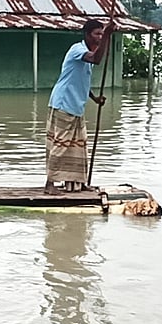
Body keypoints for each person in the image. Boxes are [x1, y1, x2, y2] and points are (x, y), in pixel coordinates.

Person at [45, 19, 116, 194]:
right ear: (87, 35)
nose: (100, 37)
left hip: (76, 105)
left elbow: (81, 82)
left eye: (101, 34)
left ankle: (78, 182)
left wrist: (94, 98)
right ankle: (50, 184)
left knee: (79, 145)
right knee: (61, 144)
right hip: (64, 103)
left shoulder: (87, 54)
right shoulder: (77, 50)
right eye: (97, 34)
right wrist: (108, 35)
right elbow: (96, 59)